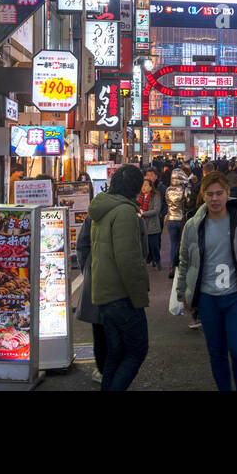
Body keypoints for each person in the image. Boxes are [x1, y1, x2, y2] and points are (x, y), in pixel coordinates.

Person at [178, 171, 237, 392]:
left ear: (228, 193)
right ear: (203, 196)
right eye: (209, 194)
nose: (215, 199)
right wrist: (184, 293)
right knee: (216, 351)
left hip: (236, 295)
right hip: (208, 298)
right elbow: (184, 262)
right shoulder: (193, 225)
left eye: (220, 193)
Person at [87, 164, 150, 391]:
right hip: (121, 296)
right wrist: (139, 297)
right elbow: (128, 261)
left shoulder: (102, 209)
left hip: (103, 293)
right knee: (136, 350)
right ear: (134, 187)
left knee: (116, 352)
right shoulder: (124, 212)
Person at [73, 214, 106, 383]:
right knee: (119, 325)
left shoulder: (93, 214)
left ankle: (102, 370)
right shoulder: (131, 213)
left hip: (96, 274)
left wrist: (87, 268)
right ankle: (117, 369)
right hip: (122, 279)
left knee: (99, 326)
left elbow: (82, 246)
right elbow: (141, 249)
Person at [165, 169, 195, 279]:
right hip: (181, 219)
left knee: (173, 243)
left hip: (170, 218)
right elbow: (188, 202)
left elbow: (167, 202)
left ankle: (171, 266)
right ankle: (182, 266)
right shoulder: (185, 189)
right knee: (182, 244)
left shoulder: (168, 189)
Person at [139, 176, 163, 269]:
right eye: (142, 185)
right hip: (142, 226)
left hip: (152, 226)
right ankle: (148, 261)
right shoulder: (140, 197)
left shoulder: (155, 196)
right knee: (144, 246)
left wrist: (143, 213)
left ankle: (157, 261)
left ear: (150, 187)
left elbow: (156, 210)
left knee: (154, 246)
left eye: (145, 185)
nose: (143, 187)